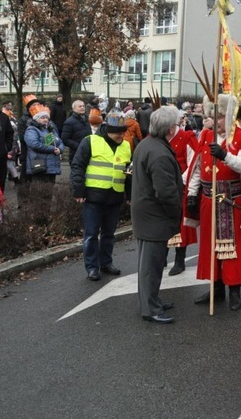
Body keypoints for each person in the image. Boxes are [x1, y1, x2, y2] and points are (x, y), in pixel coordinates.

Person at [185, 94, 241, 311]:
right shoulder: (206, 135)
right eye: (211, 116)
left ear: (228, 116)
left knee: (233, 249)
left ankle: (234, 290)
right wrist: (192, 194)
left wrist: (225, 155)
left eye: (218, 117)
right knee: (211, 247)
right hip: (209, 200)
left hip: (231, 201)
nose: (213, 120)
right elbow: (197, 167)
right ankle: (216, 289)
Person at [131, 106, 184, 324]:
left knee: (150, 263)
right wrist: (176, 213)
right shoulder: (159, 153)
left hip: (147, 213)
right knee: (150, 266)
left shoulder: (148, 144)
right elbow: (165, 192)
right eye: (177, 124)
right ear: (170, 128)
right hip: (154, 216)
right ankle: (150, 308)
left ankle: (151, 300)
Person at [71, 109, 131, 282]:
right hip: (93, 196)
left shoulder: (126, 145)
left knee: (109, 234)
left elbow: (129, 172)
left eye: (123, 132)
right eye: (118, 133)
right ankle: (92, 267)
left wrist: (129, 194)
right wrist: (78, 191)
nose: (121, 135)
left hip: (114, 197)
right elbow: (77, 166)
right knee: (91, 235)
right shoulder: (90, 141)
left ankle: (106, 263)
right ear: (108, 130)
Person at [166, 110, 199, 276]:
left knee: (180, 226)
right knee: (162, 222)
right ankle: (161, 256)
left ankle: (180, 260)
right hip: (163, 187)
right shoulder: (158, 137)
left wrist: (181, 181)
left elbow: (194, 162)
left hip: (181, 186)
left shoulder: (187, 137)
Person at [23, 105, 65, 190]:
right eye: (42, 117)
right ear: (36, 119)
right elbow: (34, 144)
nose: (45, 119)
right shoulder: (32, 130)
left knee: (49, 194)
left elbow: (60, 142)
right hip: (39, 166)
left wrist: (60, 149)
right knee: (39, 194)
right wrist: (53, 149)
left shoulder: (51, 130)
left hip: (52, 167)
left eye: (46, 117)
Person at [61, 100, 91, 164]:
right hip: (76, 154)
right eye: (79, 106)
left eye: (83, 106)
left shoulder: (87, 119)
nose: (82, 108)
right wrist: (79, 146)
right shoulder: (69, 122)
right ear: (74, 108)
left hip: (88, 153)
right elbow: (65, 139)